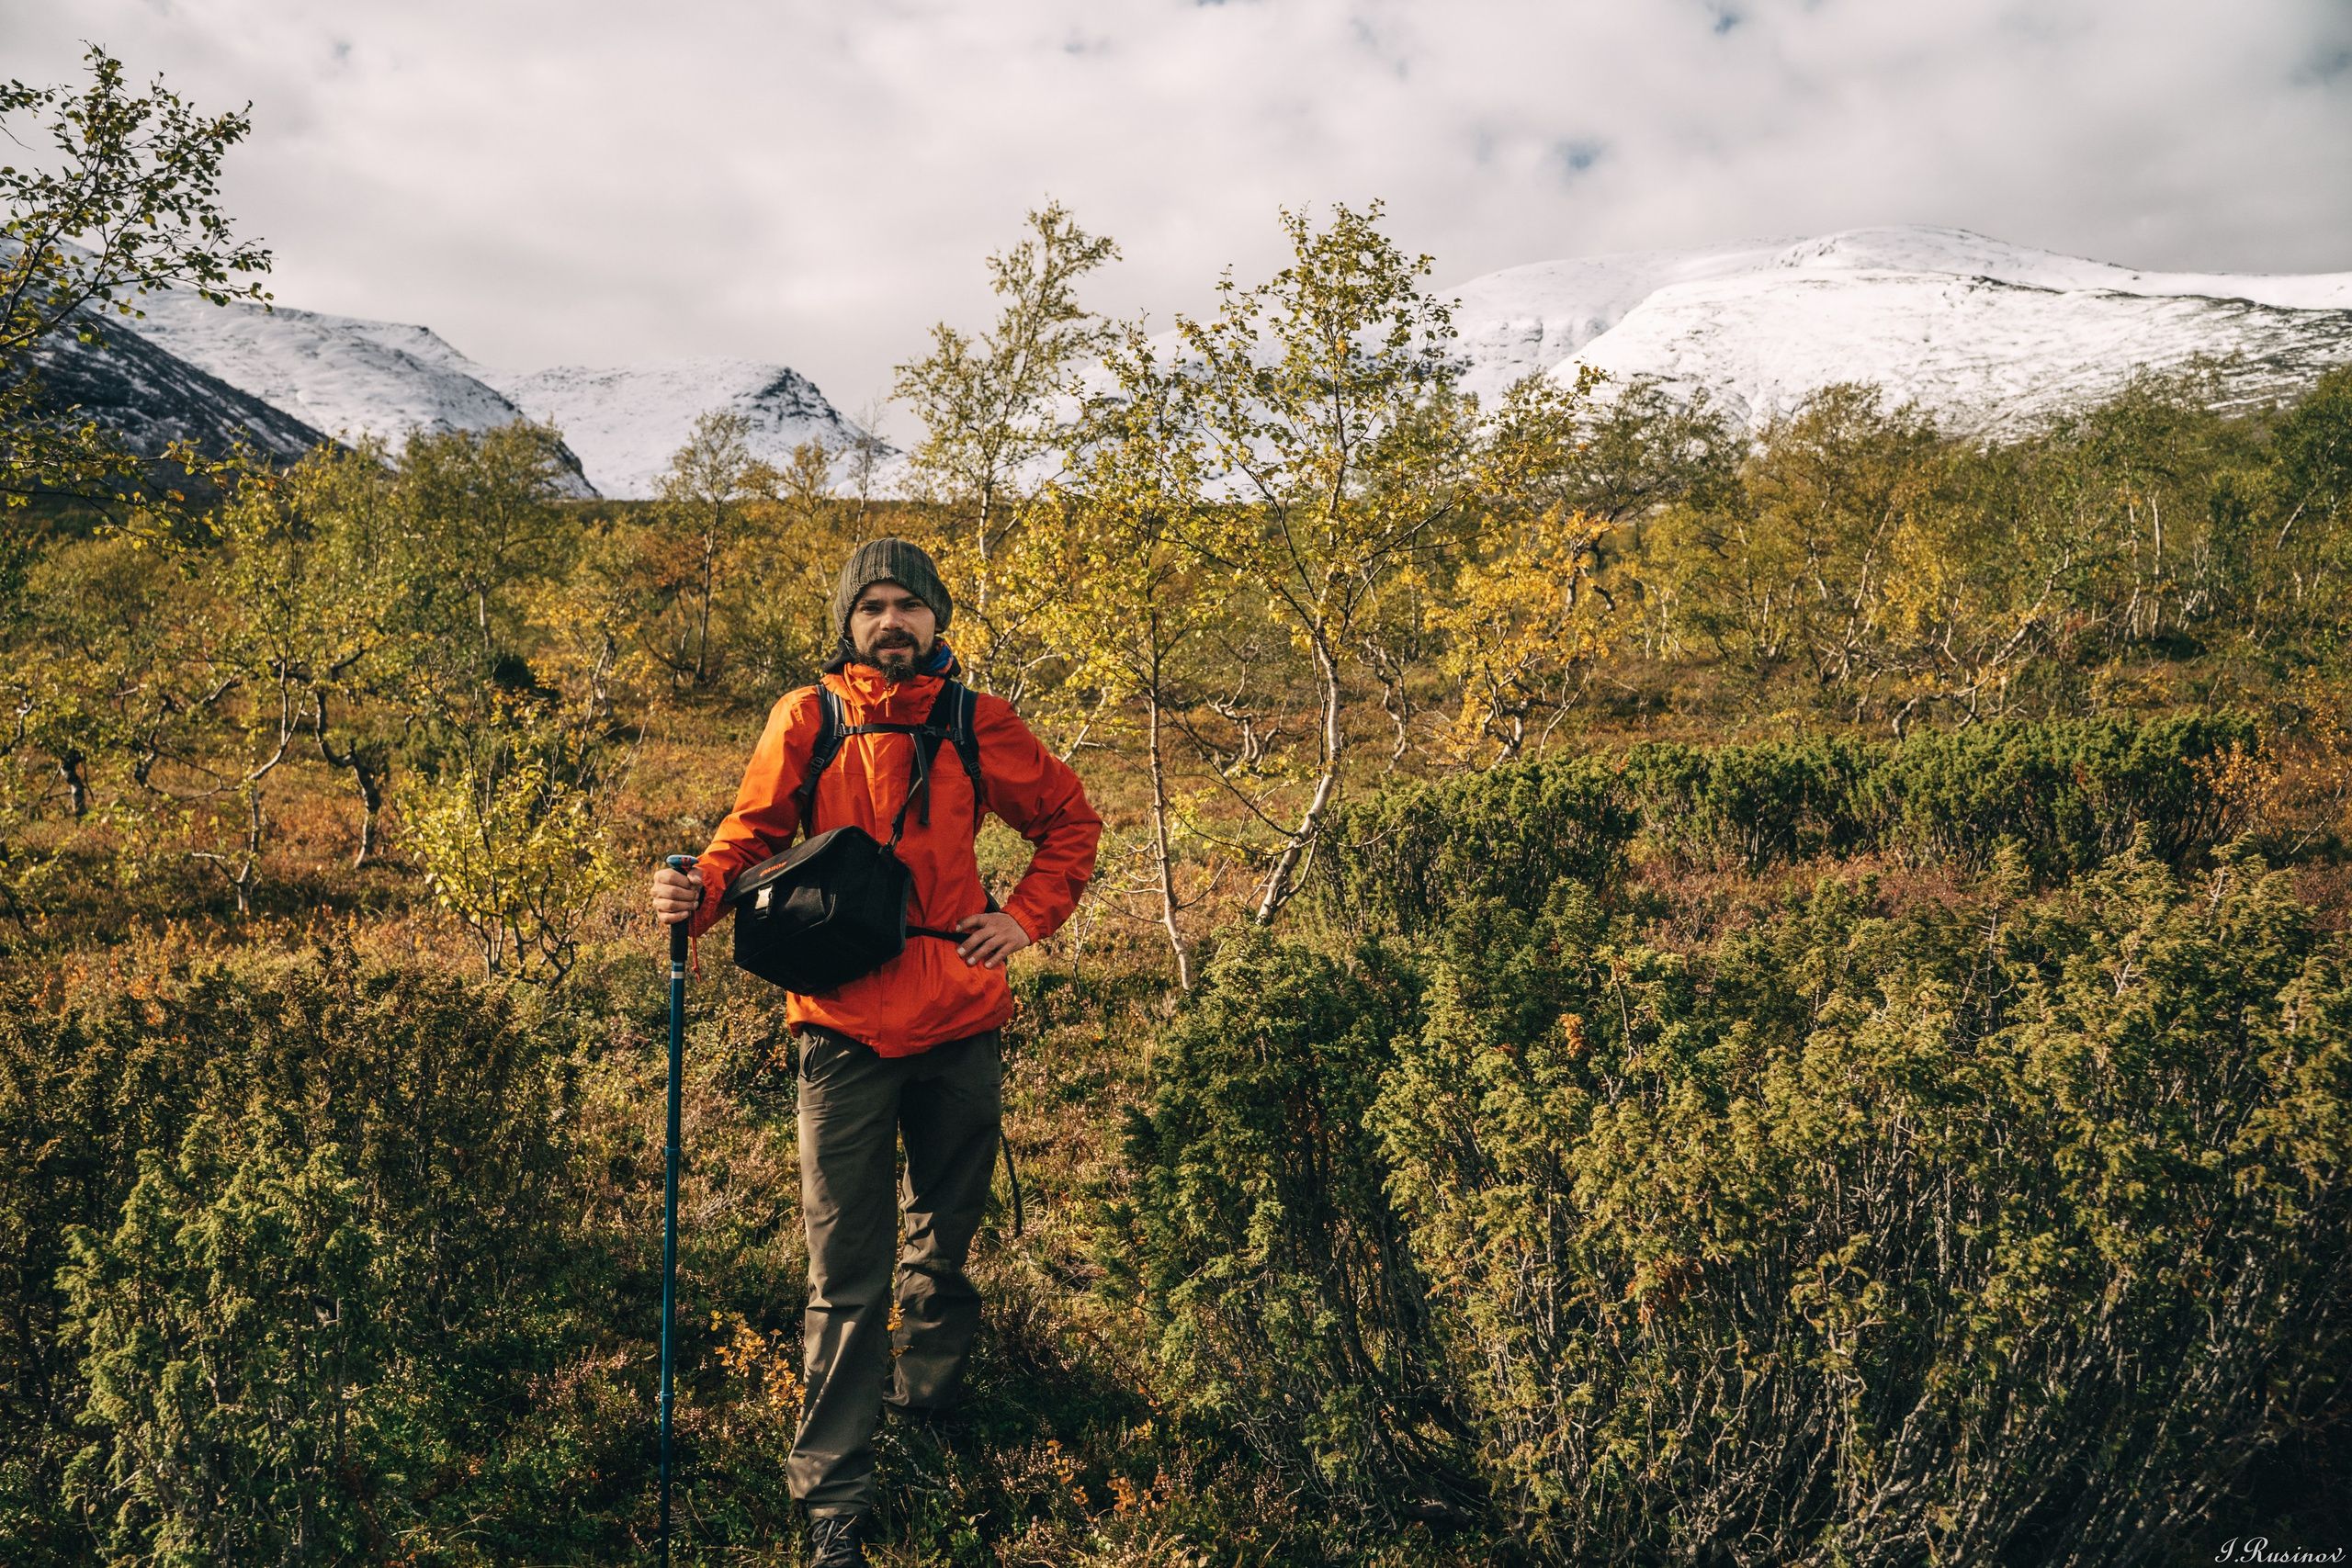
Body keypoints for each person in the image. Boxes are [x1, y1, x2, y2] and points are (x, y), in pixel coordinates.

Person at [650, 538, 1102, 1568]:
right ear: (848, 624)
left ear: (936, 619)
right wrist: (699, 892)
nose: (890, 622)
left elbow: (1070, 823)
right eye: (872, 607)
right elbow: (747, 836)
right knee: (845, 1273)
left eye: (908, 605)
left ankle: (927, 1411)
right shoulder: (808, 718)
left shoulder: (978, 721)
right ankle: (835, 1503)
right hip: (841, 1028)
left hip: (961, 1025)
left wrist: (1024, 919)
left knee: (943, 1245)